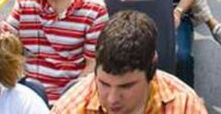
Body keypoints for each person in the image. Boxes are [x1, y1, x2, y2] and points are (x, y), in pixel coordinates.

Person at [53, 11, 207, 114]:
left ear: (151, 69)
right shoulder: (70, 108)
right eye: (104, 84)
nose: (112, 99)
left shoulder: (185, 105)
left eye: (126, 86)